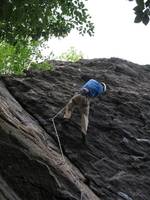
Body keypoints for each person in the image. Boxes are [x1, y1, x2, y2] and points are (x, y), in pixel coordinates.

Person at [63, 79, 106, 143]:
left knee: (71, 104)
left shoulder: (92, 80)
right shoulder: (101, 89)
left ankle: (66, 118)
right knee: (85, 115)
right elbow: (93, 95)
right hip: (86, 99)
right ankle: (84, 131)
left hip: (79, 95)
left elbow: (84, 86)